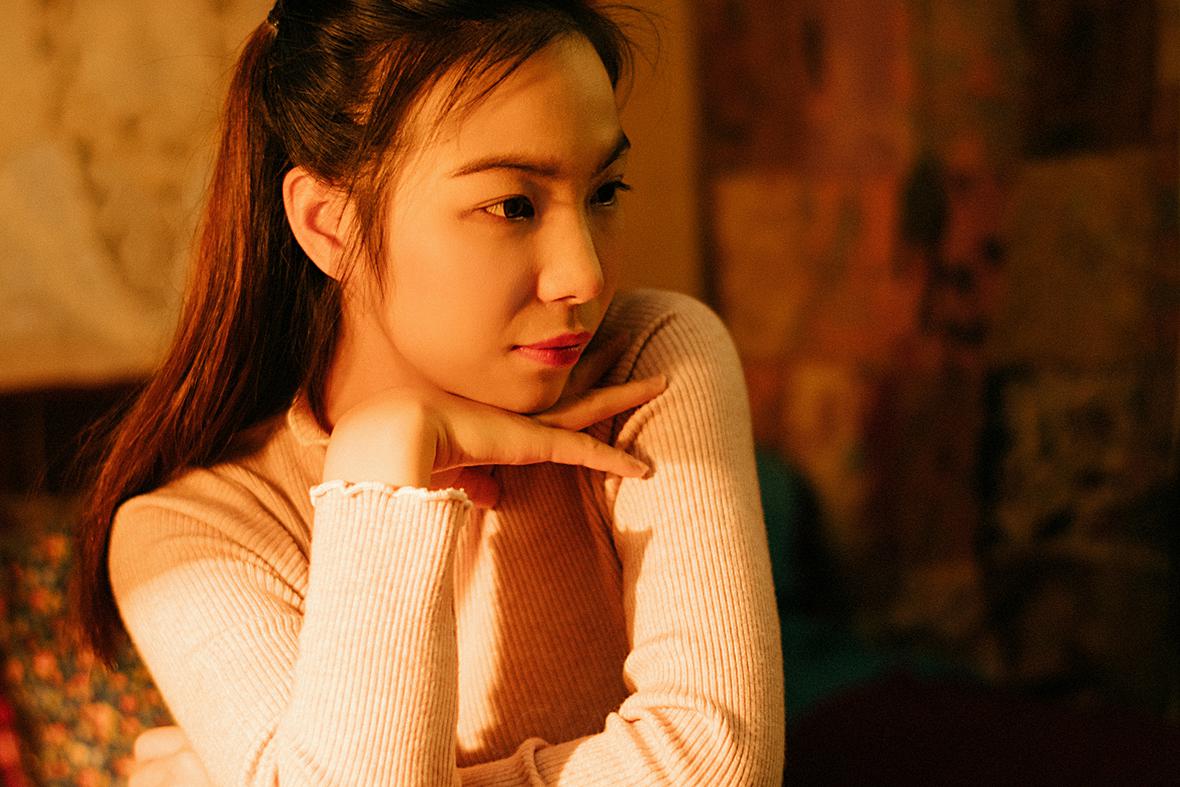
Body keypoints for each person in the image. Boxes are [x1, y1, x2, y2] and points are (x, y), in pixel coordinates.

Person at [74, 1, 785, 783]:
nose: (584, 274)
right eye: (513, 206)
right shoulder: (192, 531)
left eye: (604, 191)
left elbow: (720, 763)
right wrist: (380, 461)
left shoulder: (647, 363)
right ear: (330, 224)